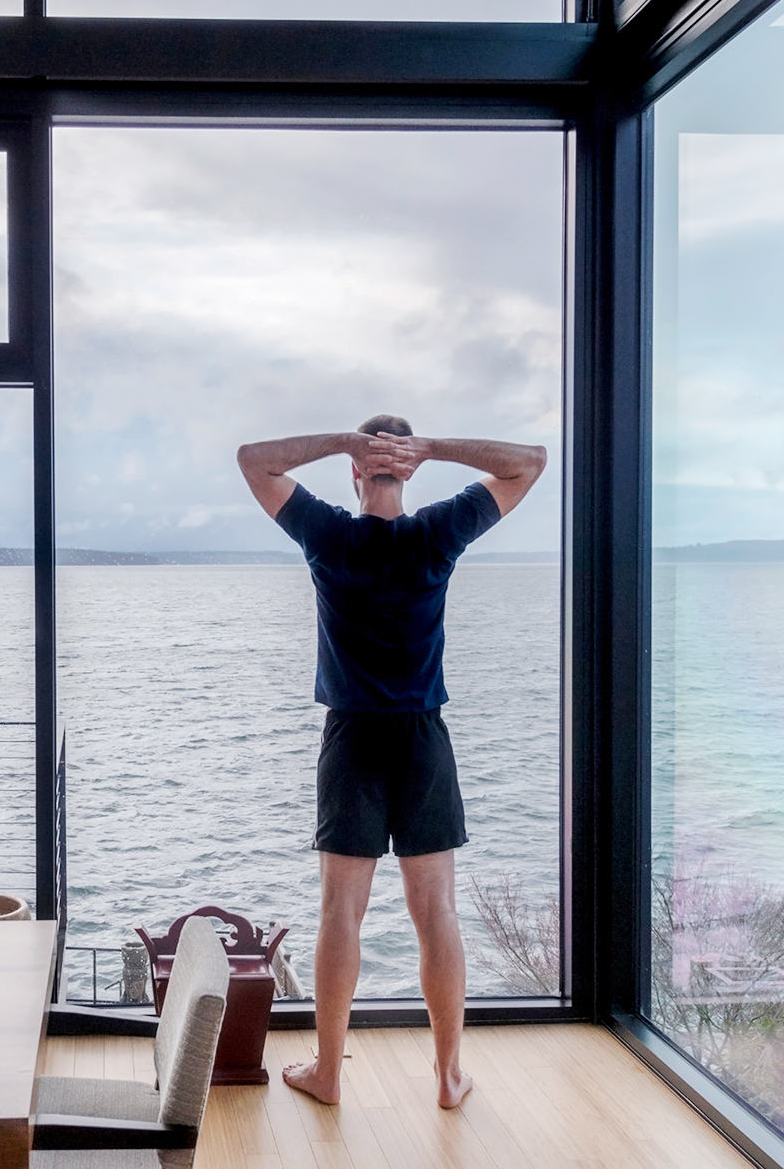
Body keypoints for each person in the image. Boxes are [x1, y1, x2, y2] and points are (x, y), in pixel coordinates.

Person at [235, 415, 547, 1109]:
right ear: (405, 470)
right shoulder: (437, 532)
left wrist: (343, 440)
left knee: (341, 910)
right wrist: (432, 449)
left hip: (351, 740)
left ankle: (329, 1074)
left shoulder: (329, 534)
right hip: (421, 740)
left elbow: (254, 459)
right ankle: (447, 1077)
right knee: (435, 910)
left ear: (355, 473)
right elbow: (530, 461)